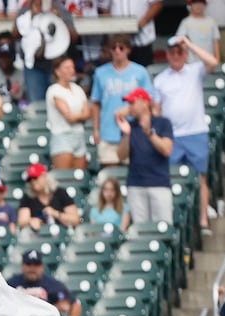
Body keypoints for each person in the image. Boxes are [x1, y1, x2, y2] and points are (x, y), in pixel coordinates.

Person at [155, 35, 217, 231]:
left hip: (195, 132)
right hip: (172, 136)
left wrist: (189, 43)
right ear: (167, 55)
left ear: (185, 54)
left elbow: (213, 61)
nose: (176, 56)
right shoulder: (160, 79)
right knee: (172, 178)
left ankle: (203, 219)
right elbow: (156, 109)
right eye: (172, 52)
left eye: (179, 52)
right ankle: (177, 221)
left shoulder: (194, 71)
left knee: (201, 177)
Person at [91, 35, 154, 167]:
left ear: (128, 50)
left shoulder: (140, 71)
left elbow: (149, 100)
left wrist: (130, 110)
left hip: (134, 130)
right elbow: (96, 103)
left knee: (132, 174)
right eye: (113, 48)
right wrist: (96, 129)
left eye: (121, 47)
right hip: (108, 131)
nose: (117, 51)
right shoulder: (100, 72)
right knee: (110, 177)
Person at [117, 87, 175, 226]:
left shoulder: (163, 123)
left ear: (145, 102)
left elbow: (167, 150)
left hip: (159, 183)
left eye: (132, 103)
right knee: (140, 228)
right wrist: (126, 135)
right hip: (135, 184)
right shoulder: (129, 126)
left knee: (162, 227)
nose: (129, 107)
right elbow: (121, 156)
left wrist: (149, 133)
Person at [8, 249, 81, 316]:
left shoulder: (53, 285)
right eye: (28, 264)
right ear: (22, 266)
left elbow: (75, 304)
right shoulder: (11, 284)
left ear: (42, 266)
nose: (32, 268)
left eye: (36, 264)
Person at [46, 57, 90, 171]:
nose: (71, 70)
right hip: (62, 137)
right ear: (57, 71)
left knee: (79, 177)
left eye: (72, 67)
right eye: (67, 67)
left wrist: (78, 116)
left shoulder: (78, 89)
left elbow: (87, 114)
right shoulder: (54, 90)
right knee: (64, 178)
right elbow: (69, 116)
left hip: (79, 135)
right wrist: (81, 116)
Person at [15, 163, 79, 230]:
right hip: (38, 236)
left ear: (45, 176)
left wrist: (55, 214)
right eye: (30, 179)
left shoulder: (60, 193)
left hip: (62, 234)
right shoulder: (28, 197)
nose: (33, 182)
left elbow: (75, 220)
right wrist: (30, 221)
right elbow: (22, 221)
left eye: (35, 178)